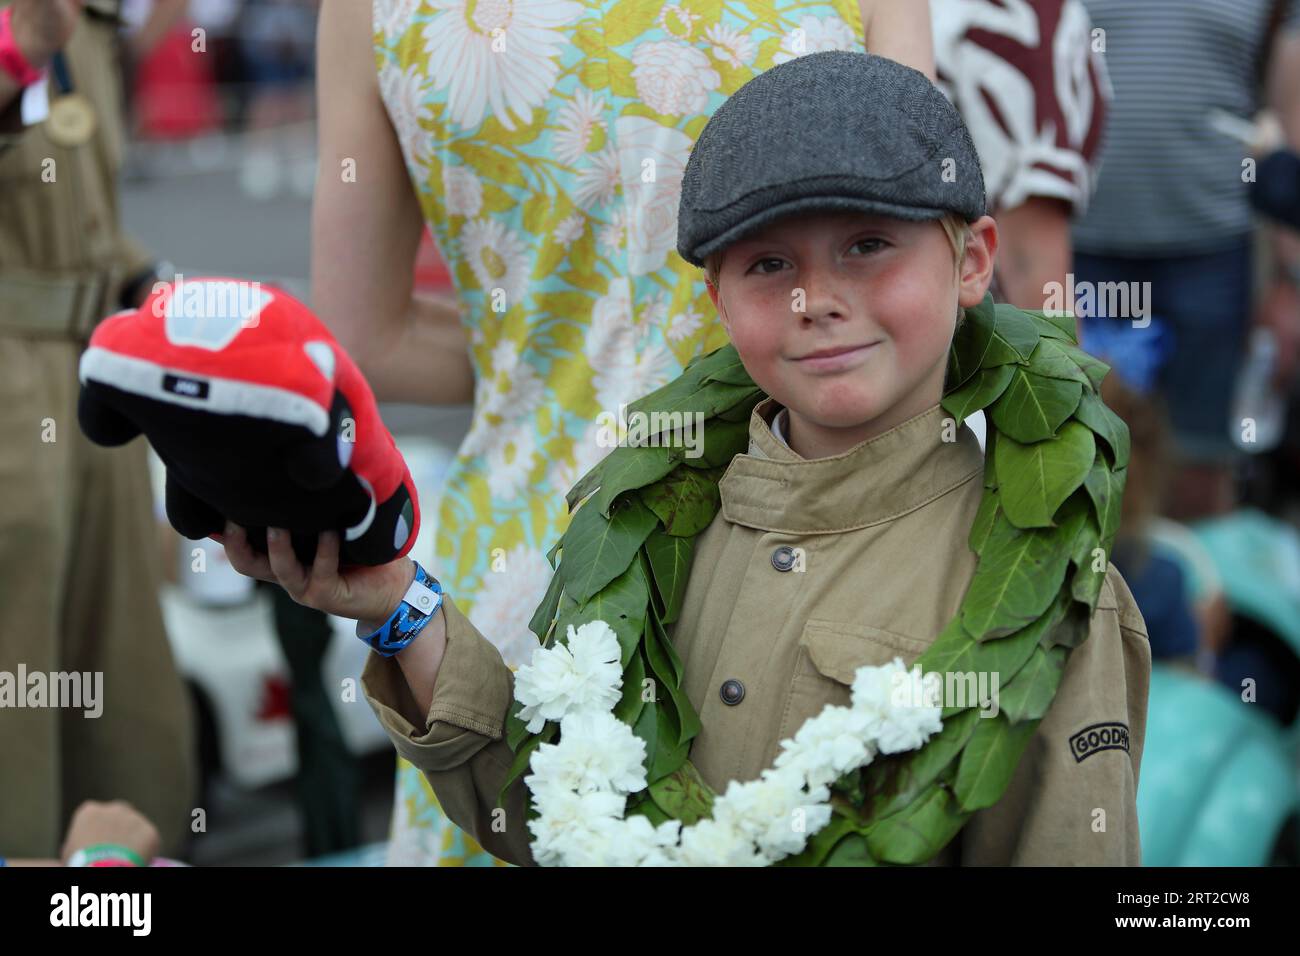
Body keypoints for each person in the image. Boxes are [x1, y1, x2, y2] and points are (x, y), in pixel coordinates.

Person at [224, 51, 1152, 865]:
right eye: (768, 266)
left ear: (974, 261)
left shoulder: (1047, 585)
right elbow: (566, 821)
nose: (815, 300)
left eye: (870, 246)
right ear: (716, 297)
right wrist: (398, 608)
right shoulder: (660, 526)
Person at [312, 0, 939, 866]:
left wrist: (544, 355)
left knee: (514, 812)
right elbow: (915, 256)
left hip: (525, 574)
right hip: (798, 541)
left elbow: (364, 341)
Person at [0, 0, 195, 859]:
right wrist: (15, 54)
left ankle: (118, 895)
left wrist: (155, 288)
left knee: (124, 703)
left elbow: (92, 222)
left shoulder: (88, 18)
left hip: (95, 382)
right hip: (11, 397)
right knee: (17, 712)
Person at [1071, 0, 1300, 519]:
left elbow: (1288, 122)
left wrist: (1291, 279)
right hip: (1082, 248)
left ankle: (1188, 590)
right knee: (1078, 444)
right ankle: (1099, 593)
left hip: (1212, 254)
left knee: (1202, 454)